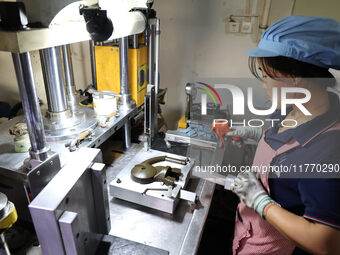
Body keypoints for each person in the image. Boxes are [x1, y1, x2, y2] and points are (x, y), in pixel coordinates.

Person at [226, 16, 340, 255]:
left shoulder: (328, 150)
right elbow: (285, 144)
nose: (263, 84)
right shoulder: (293, 107)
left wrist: (260, 202)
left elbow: (326, 243)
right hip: (249, 230)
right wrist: (253, 133)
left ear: (295, 79)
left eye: (266, 76)